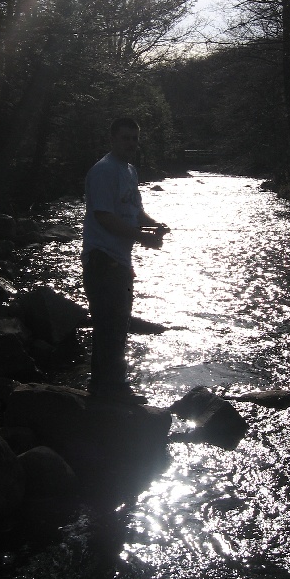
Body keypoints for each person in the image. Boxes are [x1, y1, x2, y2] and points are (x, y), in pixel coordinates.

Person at [81, 117, 169, 404]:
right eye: (125, 138)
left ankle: (108, 389)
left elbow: (135, 211)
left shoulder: (129, 170)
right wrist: (141, 237)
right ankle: (109, 391)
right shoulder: (103, 171)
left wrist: (155, 225)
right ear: (112, 140)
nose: (131, 143)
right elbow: (104, 217)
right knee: (109, 327)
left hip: (119, 260)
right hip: (102, 259)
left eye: (134, 138)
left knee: (118, 325)